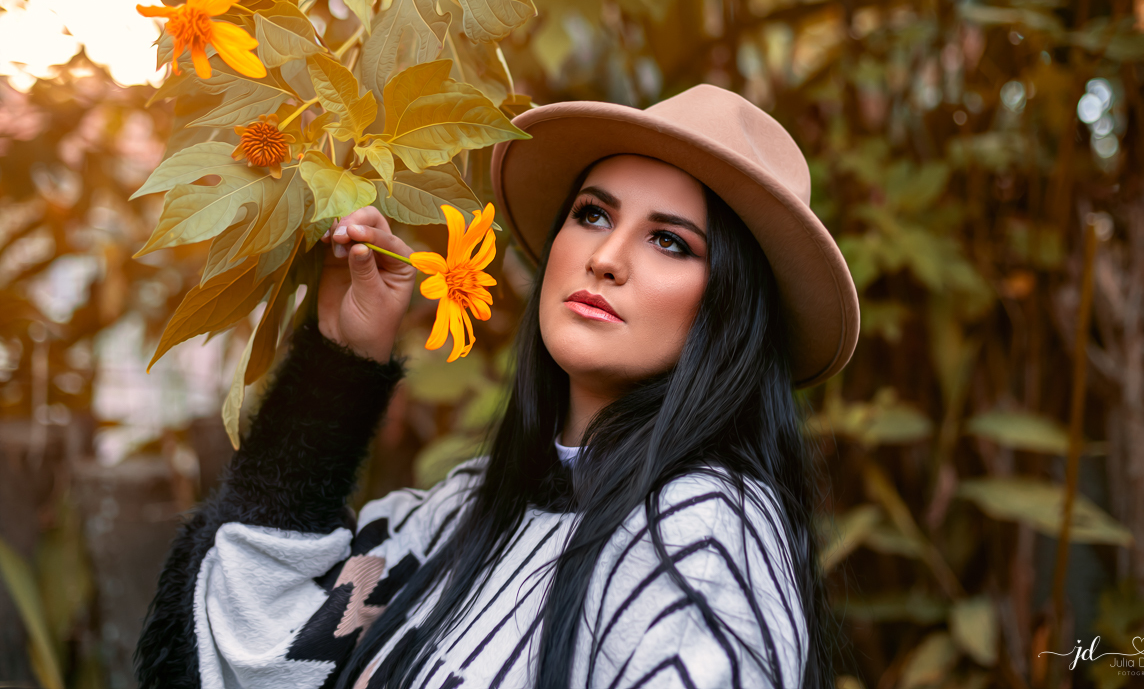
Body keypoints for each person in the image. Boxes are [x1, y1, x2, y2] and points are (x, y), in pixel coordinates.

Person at [133, 84, 860, 689]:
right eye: (593, 214)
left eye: (670, 241)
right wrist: (339, 366)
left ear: (733, 311)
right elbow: (260, 649)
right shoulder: (464, 509)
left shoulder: (701, 535)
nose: (606, 257)